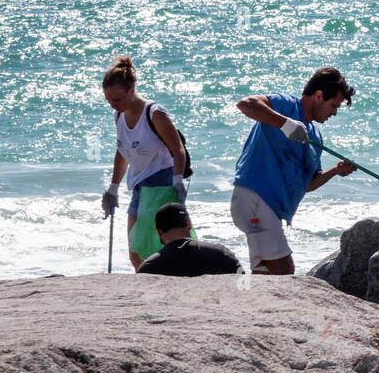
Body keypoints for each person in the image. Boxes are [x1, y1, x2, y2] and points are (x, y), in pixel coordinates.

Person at [230, 68, 357, 274]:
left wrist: (335, 170)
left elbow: (307, 185)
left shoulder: (315, 136)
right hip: (254, 196)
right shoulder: (287, 105)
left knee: (265, 274)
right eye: (333, 105)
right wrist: (285, 124)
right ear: (318, 96)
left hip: (271, 209)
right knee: (284, 270)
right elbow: (245, 104)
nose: (334, 112)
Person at [100, 56, 190, 270]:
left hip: (162, 184)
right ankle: (150, 289)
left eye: (117, 100)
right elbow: (123, 152)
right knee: (136, 251)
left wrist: (177, 181)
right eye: (109, 100)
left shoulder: (154, 113)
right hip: (139, 186)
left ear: (131, 89)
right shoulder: (118, 116)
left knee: (157, 247)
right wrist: (113, 188)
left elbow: (178, 149)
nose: (113, 105)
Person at [137, 203, 241, 277]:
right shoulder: (222, 254)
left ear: (159, 231)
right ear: (189, 225)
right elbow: (245, 284)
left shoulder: (149, 267)